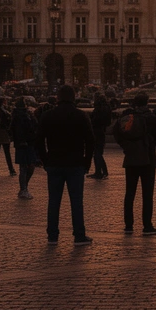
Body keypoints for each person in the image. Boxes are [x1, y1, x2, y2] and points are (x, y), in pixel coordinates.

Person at [39, 84, 95, 245]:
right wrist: (87, 161)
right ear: (73, 97)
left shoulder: (48, 115)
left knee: (53, 201)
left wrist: (45, 160)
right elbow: (90, 141)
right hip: (76, 163)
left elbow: (39, 140)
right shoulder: (81, 115)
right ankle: (79, 235)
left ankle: (52, 236)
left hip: (54, 163)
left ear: (58, 98)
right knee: (76, 201)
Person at [114, 91, 156, 235]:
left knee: (130, 192)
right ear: (147, 102)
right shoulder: (150, 117)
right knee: (147, 194)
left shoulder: (128, 117)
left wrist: (127, 146)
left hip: (130, 159)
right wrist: (149, 144)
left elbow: (116, 133)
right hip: (148, 159)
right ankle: (147, 226)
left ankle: (128, 226)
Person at [11, 96, 41, 199]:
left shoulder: (27, 114)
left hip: (29, 143)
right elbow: (16, 130)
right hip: (23, 144)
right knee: (24, 167)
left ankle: (24, 187)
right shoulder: (18, 115)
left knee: (30, 167)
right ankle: (23, 189)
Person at [89, 93, 112, 180]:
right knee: (98, 152)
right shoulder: (106, 108)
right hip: (101, 131)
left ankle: (102, 171)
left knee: (97, 153)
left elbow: (95, 120)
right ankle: (99, 172)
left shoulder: (99, 108)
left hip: (97, 131)